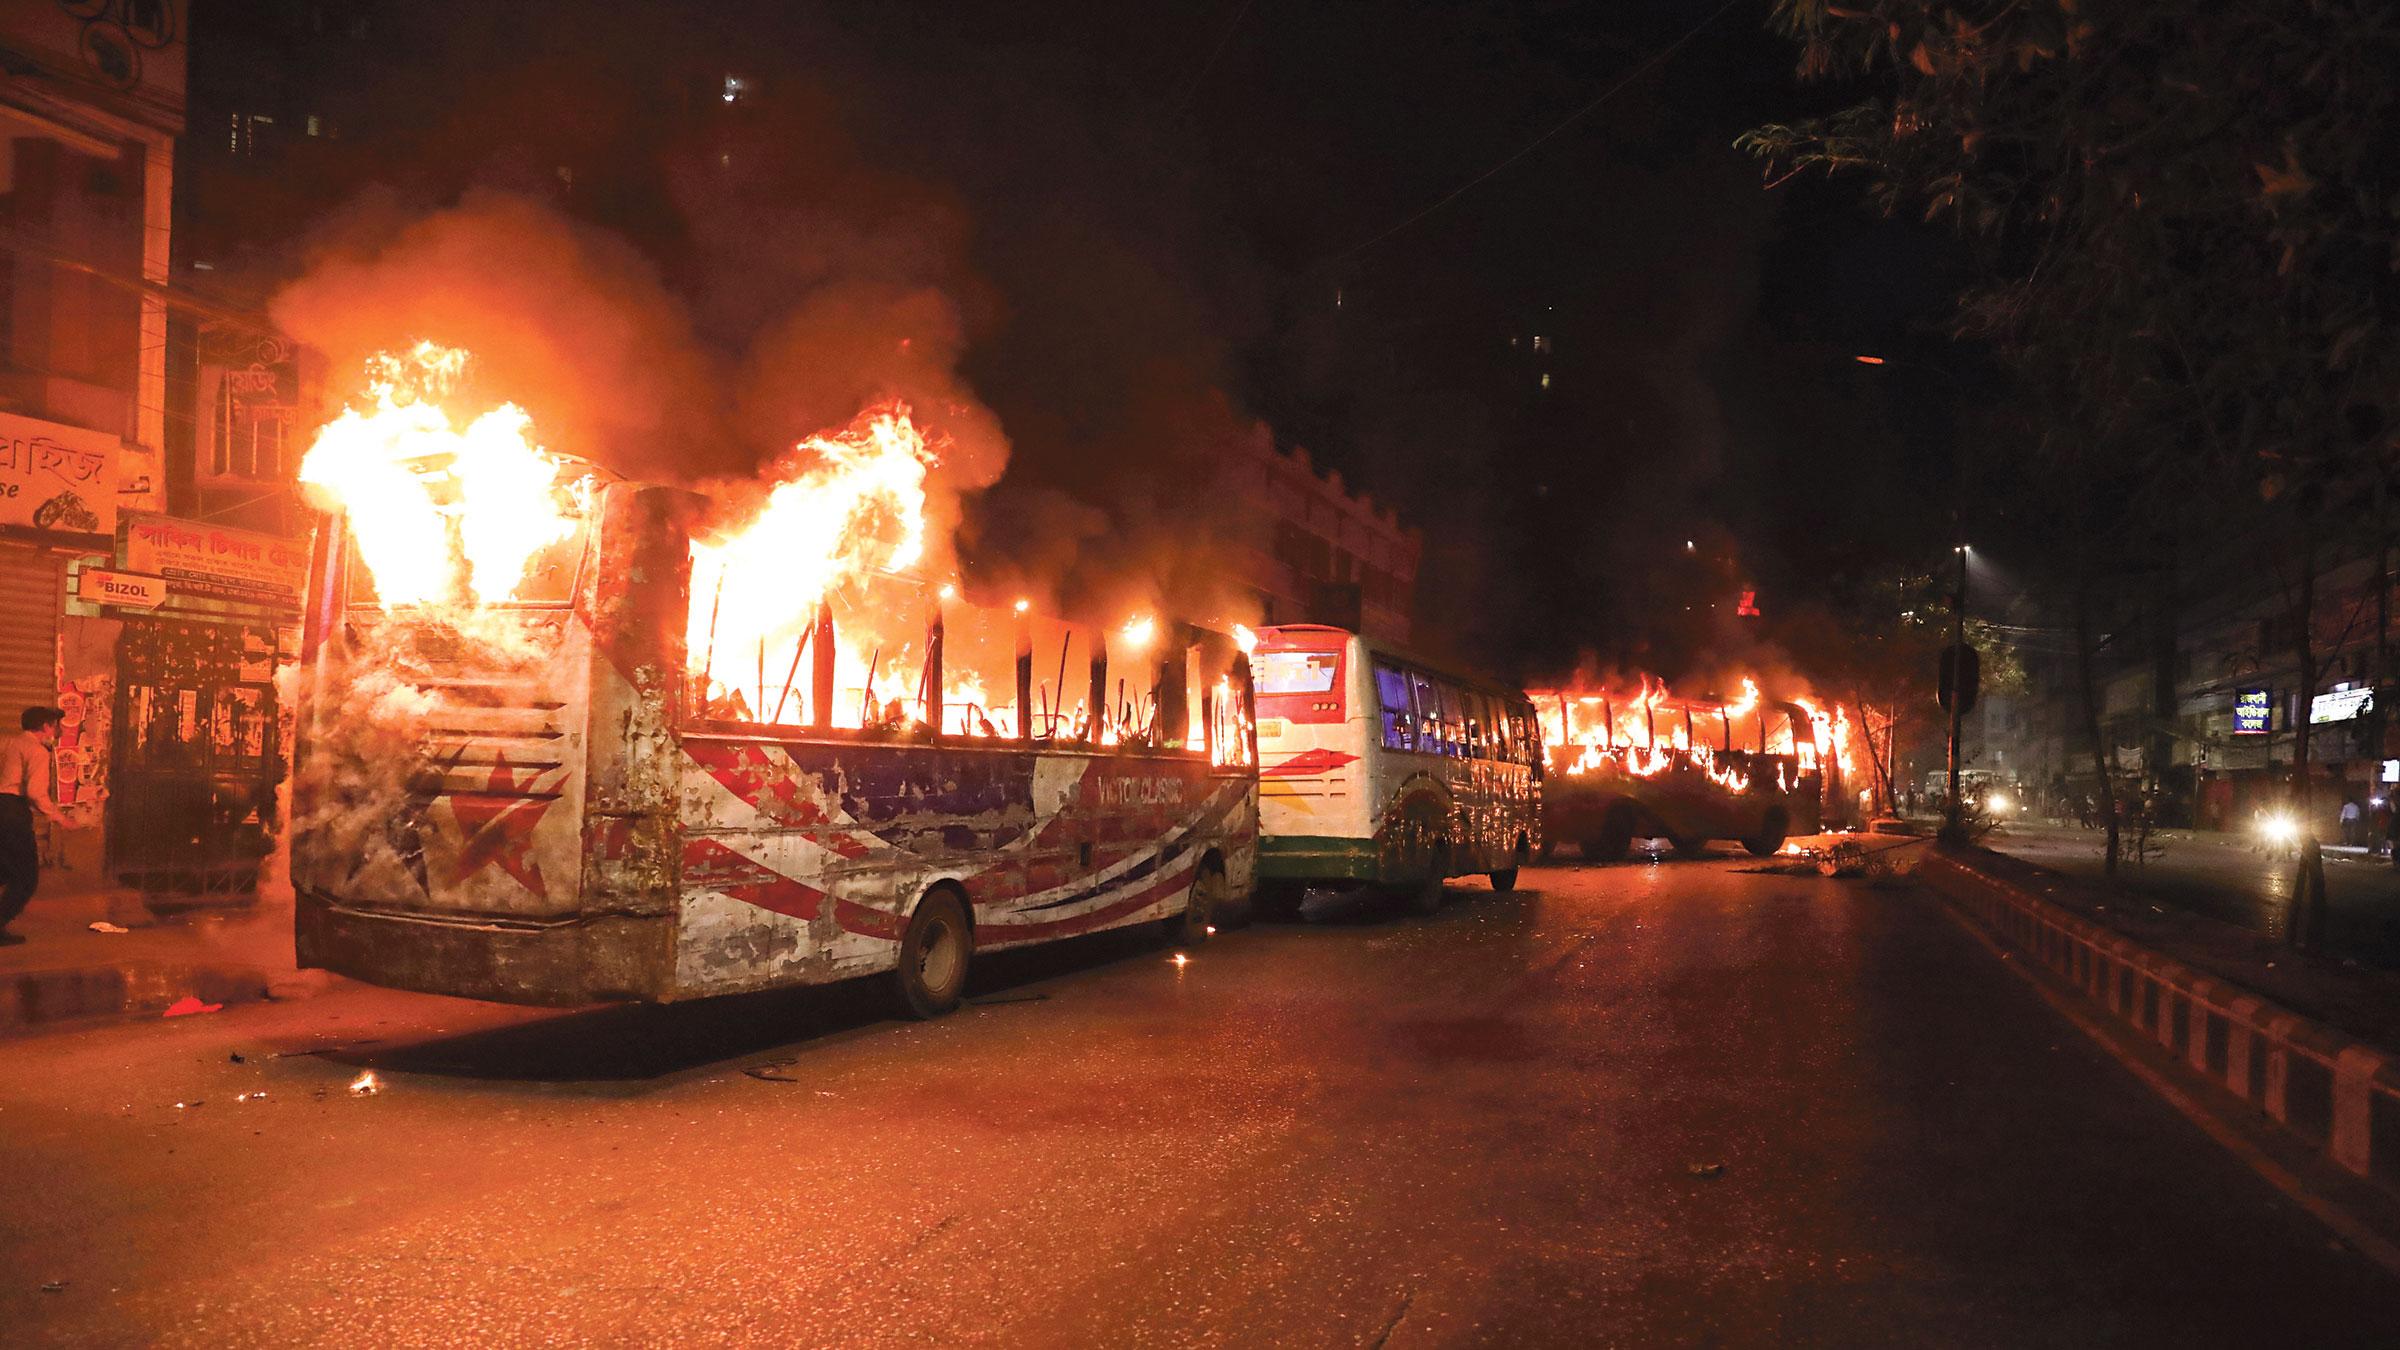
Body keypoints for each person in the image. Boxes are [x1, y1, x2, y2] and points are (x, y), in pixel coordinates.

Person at [0, 706, 75, 945]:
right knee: (26, 878)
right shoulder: (37, 751)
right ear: (45, 727)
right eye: (55, 724)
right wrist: (60, 817)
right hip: (12, 813)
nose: (58, 728)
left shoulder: (7, 743)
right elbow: (35, 792)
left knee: (5, 868)